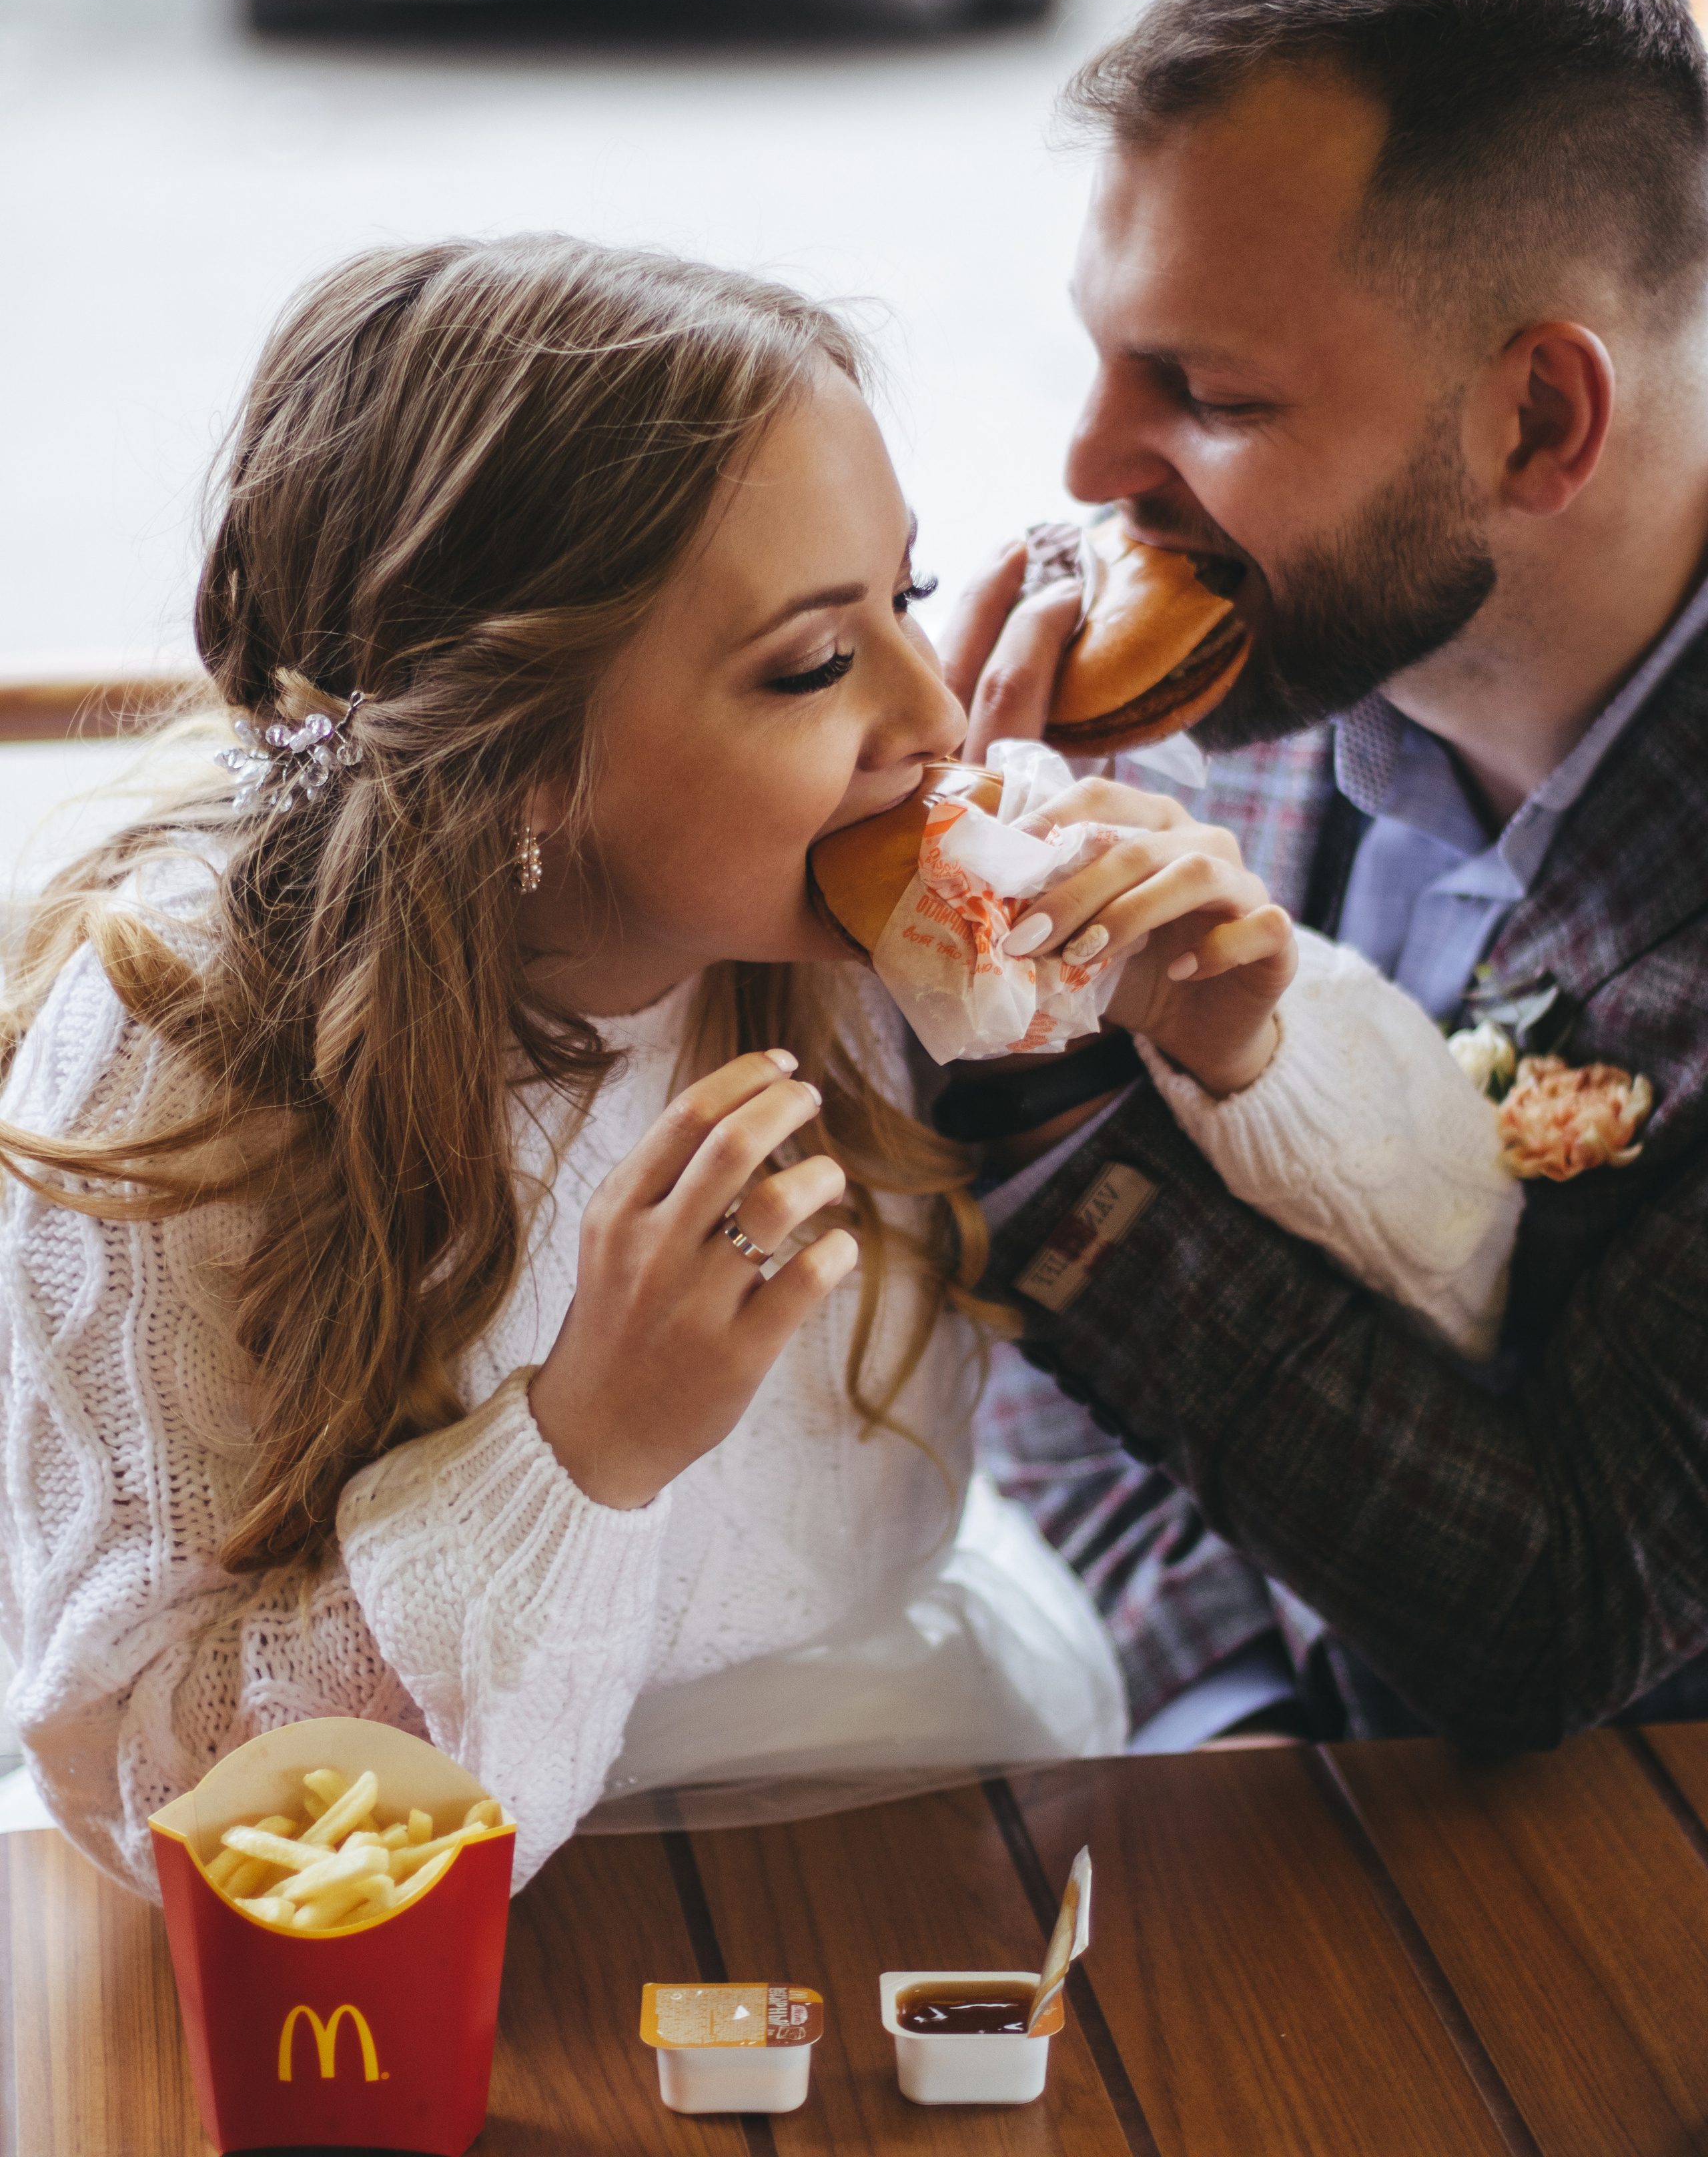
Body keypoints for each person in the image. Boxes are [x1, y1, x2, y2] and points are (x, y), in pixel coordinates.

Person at [0, 235, 1513, 1893]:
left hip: (913, 1784)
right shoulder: (178, 1053)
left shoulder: (892, 950)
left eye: (905, 599)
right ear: (517, 764)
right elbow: (151, 1789)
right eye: (809, 662)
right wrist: (586, 1444)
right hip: (415, 1926)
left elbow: (1471, 1258)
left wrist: (1251, 1049)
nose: (935, 713)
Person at [945, 0, 1708, 1749]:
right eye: (1104, 348)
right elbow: (1055, 1376)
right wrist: (1223, 1698)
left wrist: (1040, 1090)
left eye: (1203, 392)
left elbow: (1566, 1604)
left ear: (1541, 421)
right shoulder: (1215, 695)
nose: (1090, 468)